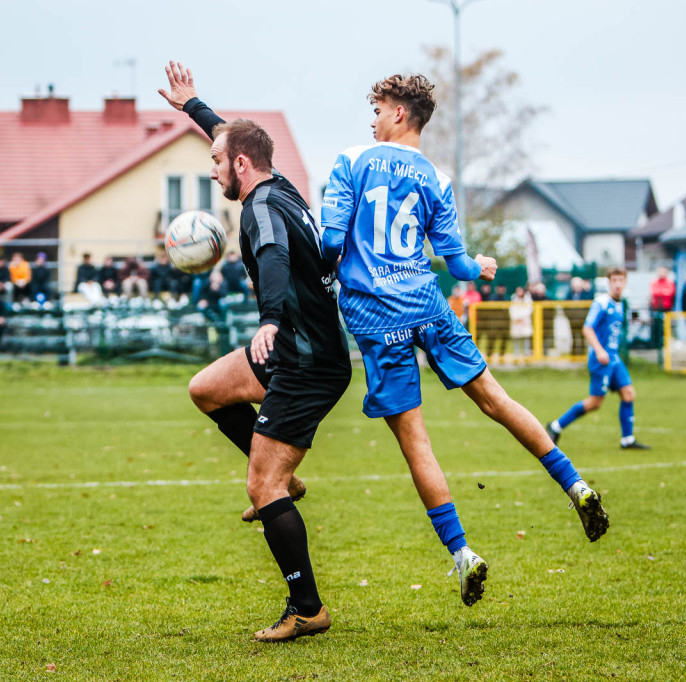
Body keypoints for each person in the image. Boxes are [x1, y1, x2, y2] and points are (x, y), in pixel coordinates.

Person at [321, 72, 608, 610]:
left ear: (400, 113)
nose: (373, 119)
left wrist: (320, 265)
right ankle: (577, 487)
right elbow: (458, 266)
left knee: (417, 442)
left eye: (379, 109)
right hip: (430, 307)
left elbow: (333, 239)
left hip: (375, 317)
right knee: (497, 400)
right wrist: (481, 264)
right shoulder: (437, 176)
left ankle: (463, 555)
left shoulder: (351, 161)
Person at [160, 61, 351, 642]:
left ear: (240, 165)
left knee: (259, 487)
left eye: (216, 162)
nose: (212, 169)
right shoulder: (280, 186)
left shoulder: (261, 209)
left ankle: (307, 607)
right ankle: (283, 480)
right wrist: (195, 107)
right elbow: (231, 137)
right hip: (295, 348)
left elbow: (272, 257)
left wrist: (268, 318)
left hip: (304, 360)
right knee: (207, 389)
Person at [547, 268, 651, 451]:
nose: (618, 284)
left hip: (614, 359)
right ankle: (556, 426)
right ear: (609, 282)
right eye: (614, 280)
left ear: (625, 282)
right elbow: (587, 328)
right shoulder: (601, 303)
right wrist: (599, 350)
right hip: (600, 359)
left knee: (628, 394)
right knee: (595, 403)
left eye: (621, 280)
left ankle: (627, 440)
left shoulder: (620, 304)